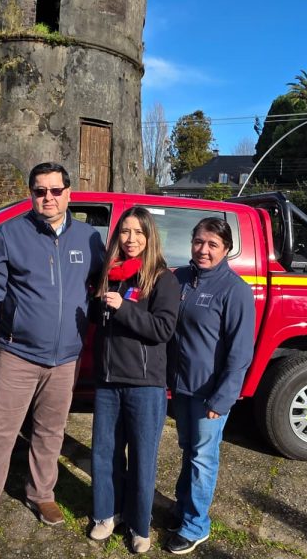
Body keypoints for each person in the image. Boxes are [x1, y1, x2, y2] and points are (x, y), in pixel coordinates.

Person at [0, 162, 104, 543]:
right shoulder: (8, 235)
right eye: (39, 190)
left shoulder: (89, 238)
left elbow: (102, 284)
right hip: (17, 353)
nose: (47, 197)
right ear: (30, 194)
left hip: (65, 357)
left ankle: (42, 495)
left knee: (51, 431)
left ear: (69, 193)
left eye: (55, 190)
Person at [88, 207, 179, 553]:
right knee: (105, 453)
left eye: (138, 233)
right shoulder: (110, 274)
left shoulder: (161, 278)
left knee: (142, 458)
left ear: (149, 236)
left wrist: (124, 309)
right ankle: (105, 515)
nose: (130, 239)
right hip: (108, 381)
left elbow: (163, 329)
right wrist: (99, 302)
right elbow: (100, 320)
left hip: (145, 384)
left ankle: (139, 525)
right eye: (125, 232)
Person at [166, 217, 256, 555]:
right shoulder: (181, 279)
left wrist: (223, 397)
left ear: (226, 249)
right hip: (182, 387)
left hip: (210, 394)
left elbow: (240, 352)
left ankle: (195, 525)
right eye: (199, 242)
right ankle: (182, 507)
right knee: (189, 451)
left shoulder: (235, 290)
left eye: (212, 244)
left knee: (204, 457)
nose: (203, 250)